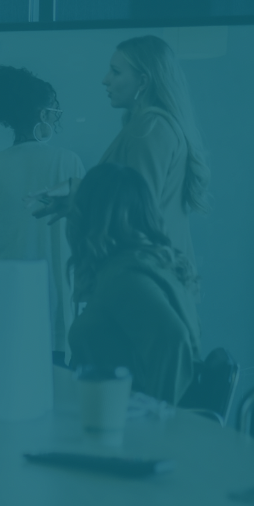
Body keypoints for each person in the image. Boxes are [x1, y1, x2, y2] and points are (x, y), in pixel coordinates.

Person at [37, 35, 210, 264]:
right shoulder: (151, 126)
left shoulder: (150, 128)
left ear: (143, 81)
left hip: (144, 276)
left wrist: (79, 190)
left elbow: (137, 209)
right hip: (151, 275)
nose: (105, 80)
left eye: (116, 72)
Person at [0, 66, 85, 360]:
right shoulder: (68, 163)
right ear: (43, 115)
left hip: (1, 306)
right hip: (54, 309)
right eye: (54, 111)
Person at [65, 163, 200, 404]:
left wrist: (155, 418)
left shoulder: (123, 276)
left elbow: (173, 339)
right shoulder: (146, 264)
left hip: (119, 423)